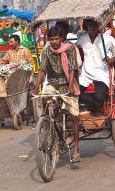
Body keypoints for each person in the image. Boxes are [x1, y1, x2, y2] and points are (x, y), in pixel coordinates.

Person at [34, 26, 81, 163]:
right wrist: (36, 86)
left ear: (61, 38)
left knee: (74, 115)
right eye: (52, 39)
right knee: (45, 99)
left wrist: (71, 85)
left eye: (56, 38)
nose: (54, 41)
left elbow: (72, 68)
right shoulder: (47, 51)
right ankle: (50, 126)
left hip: (68, 83)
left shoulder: (70, 49)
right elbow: (42, 70)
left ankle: (76, 147)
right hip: (53, 83)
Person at [78, 19, 115, 116]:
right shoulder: (82, 38)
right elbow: (73, 48)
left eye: (94, 25)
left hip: (102, 74)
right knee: (74, 94)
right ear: (86, 26)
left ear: (99, 26)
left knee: (99, 97)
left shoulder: (108, 39)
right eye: (89, 25)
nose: (92, 28)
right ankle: (93, 106)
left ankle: (96, 106)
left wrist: (112, 59)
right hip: (85, 74)